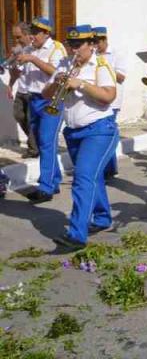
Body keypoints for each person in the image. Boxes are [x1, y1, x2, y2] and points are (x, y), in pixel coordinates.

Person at [42, 25, 119, 249]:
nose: (73, 49)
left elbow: (108, 96)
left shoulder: (101, 65)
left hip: (99, 129)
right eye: (70, 44)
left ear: (91, 45)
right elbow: (46, 94)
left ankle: (76, 234)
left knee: (83, 178)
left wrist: (81, 84)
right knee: (92, 178)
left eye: (78, 45)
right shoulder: (64, 64)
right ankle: (103, 218)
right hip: (74, 131)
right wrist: (57, 81)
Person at [16, 18, 67, 203]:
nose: (32, 36)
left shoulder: (57, 48)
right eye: (31, 31)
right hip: (34, 99)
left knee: (46, 142)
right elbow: (25, 73)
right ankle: (54, 180)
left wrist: (33, 59)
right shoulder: (29, 49)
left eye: (36, 32)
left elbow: (57, 72)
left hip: (51, 100)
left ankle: (45, 188)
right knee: (42, 142)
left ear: (46, 33)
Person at [94, 26, 127, 179]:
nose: (96, 45)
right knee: (102, 134)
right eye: (93, 42)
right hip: (96, 98)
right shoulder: (93, 54)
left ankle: (108, 169)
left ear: (105, 40)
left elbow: (121, 77)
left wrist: (105, 66)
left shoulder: (116, 54)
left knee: (107, 133)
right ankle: (110, 168)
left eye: (98, 42)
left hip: (112, 100)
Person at [7, 22, 39, 158]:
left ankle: (33, 148)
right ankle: (36, 143)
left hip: (33, 91)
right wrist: (10, 84)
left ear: (27, 35)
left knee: (31, 119)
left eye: (19, 37)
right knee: (18, 115)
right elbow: (16, 71)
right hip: (21, 89)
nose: (17, 40)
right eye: (15, 37)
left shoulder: (34, 49)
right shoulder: (21, 50)